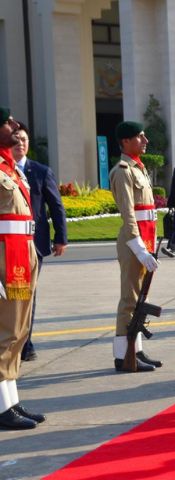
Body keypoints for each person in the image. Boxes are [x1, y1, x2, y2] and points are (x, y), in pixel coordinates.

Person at [0, 107, 45, 429]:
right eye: (7, 122)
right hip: (6, 260)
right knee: (6, 332)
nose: (15, 127)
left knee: (19, 332)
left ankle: (11, 399)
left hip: (22, 255)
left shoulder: (10, 168)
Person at [108, 120, 162, 373]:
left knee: (141, 300)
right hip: (133, 243)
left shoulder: (138, 168)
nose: (146, 141)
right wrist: (139, 248)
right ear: (126, 141)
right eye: (140, 137)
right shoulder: (123, 170)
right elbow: (129, 214)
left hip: (145, 240)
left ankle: (136, 350)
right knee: (129, 299)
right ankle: (122, 357)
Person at [13, 122, 67, 362]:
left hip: (34, 243)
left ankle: (25, 342)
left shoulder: (41, 171)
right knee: (10, 295)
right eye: (15, 141)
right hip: (7, 243)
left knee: (27, 293)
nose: (20, 144)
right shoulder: (4, 171)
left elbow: (56, 206)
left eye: (24, 139)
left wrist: (60, 238)